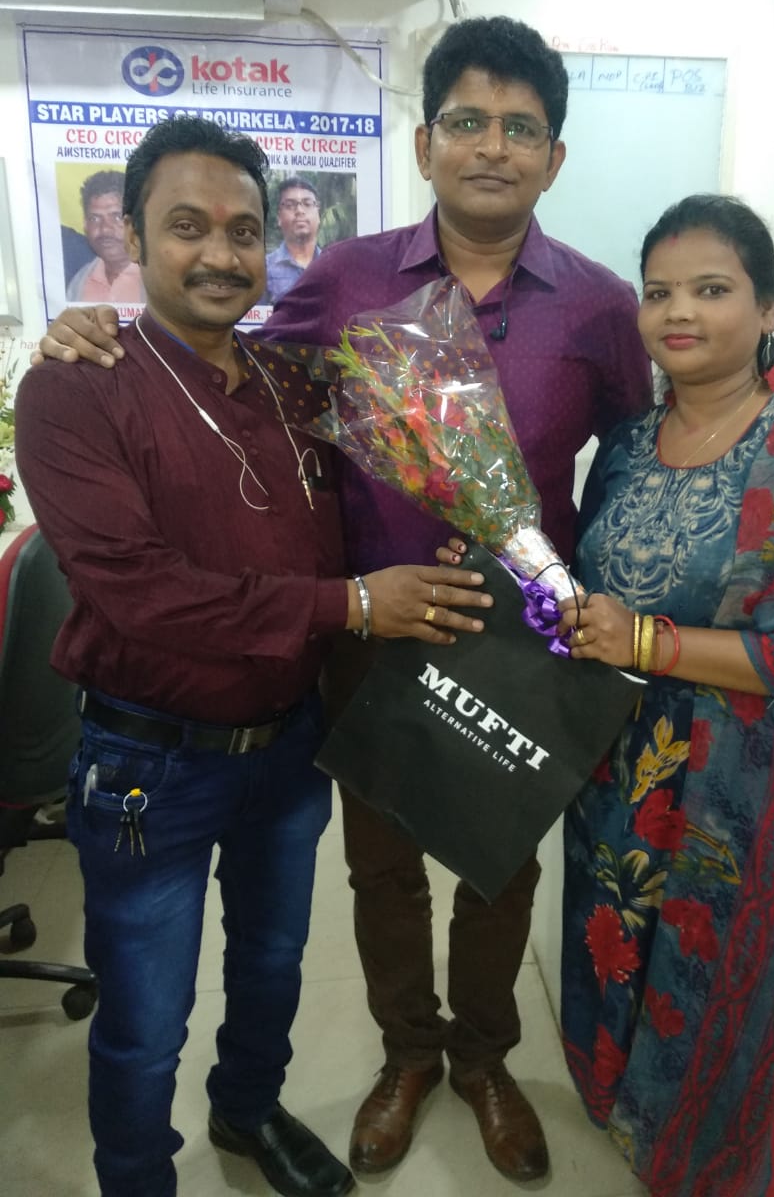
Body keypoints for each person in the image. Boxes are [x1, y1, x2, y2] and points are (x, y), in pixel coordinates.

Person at [34, 16, 652, 1184]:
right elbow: (222, 360)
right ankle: (407, 1052)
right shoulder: (346, 280)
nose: (492, 146)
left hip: (524, 642)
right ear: (424, 143)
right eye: (466, 120)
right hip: (368, 631)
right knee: (381, 873)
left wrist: (602, 604)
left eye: (521, 128)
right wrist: (96, 323)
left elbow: (632, 459)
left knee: (500, 872)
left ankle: (484, 1059)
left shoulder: (601, 305)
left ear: (554, 157)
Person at [15, 117, 492, 1197]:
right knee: (146, 1018)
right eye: (187, 226)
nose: (220, 253)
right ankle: (138, 1175)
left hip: (288, 747)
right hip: (151, 762)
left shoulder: (289, 382)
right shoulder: (76, 387)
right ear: (135, 235)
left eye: (242, 230)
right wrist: (354, 603)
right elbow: (139, 591)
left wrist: (458, 538)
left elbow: (383, 482)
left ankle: (247, 1110)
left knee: (272, 969)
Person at [555, 194, 774, 1196]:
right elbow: (594, 589)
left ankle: (718, 1164)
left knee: (722, 994)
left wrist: (652, 641)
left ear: (767, 309)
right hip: (617, 769)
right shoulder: (626, 443)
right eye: (659, 291)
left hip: (746, 784)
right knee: (618, 955)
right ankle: (641, 1128)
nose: (679, 311)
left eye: (711, 289)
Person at [66, 170, 144, 303]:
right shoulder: (79, 283)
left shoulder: (160, 281)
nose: (105, 229)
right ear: (85, 225)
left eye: (117, 217)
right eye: (95, 218)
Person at [266, 175, 323, 304]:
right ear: (279, 217)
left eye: (307, 204)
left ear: (318, 215)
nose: (299, 210)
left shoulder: (332, 266)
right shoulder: (264, 269)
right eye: (290, 205)